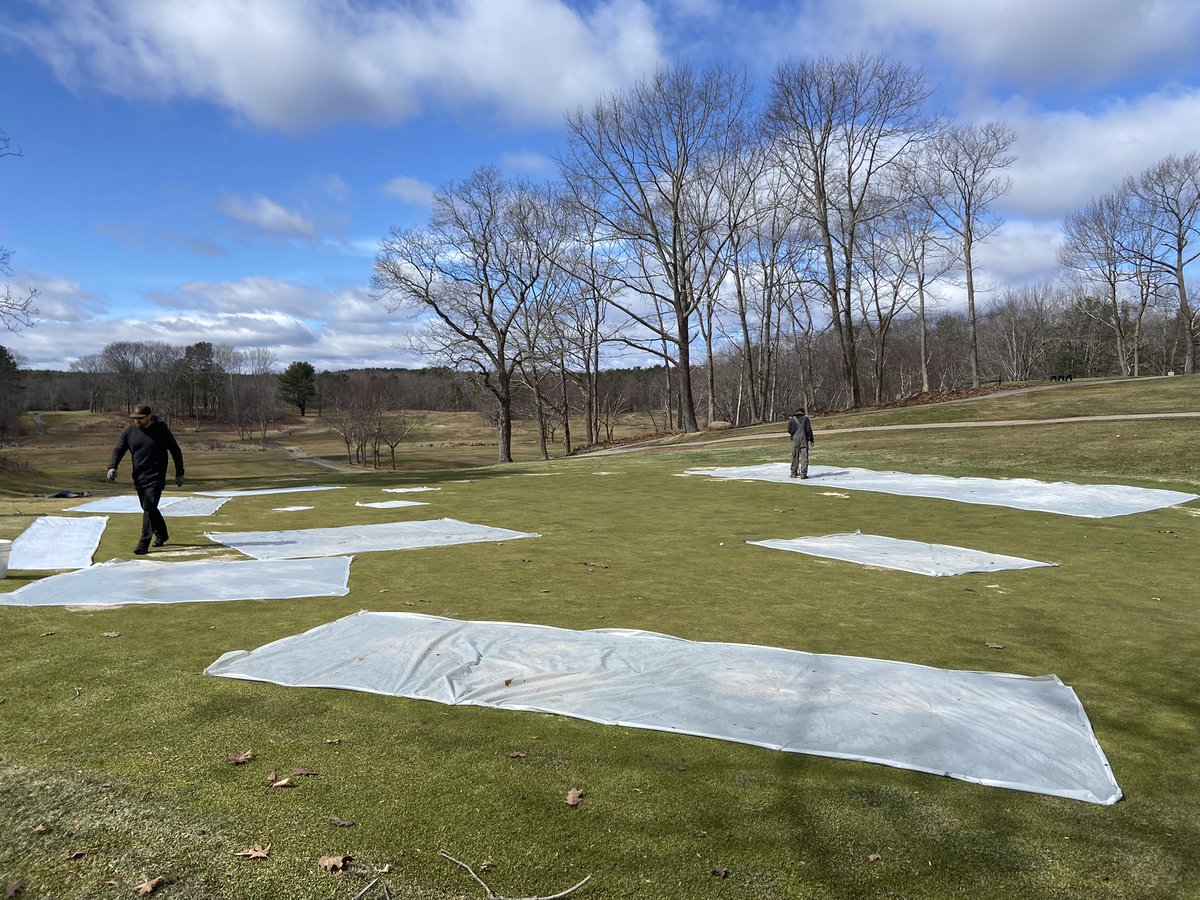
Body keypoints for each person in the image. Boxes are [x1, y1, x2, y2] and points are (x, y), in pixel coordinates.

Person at [107, 405, 185, 555]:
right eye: (135, 418)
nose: (137, 421)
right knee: (148, 507)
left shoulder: (160, 429)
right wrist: (112, 467)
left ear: (149, 417)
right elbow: (119, 450)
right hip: (139, 476)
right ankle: (162, 534)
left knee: (149, 506)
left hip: (156, 475)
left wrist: (179, 472)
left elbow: (175, 450)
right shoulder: (129, 431)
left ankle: (143, 543)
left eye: (140, 418)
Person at [787, 406, 815, 479]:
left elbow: (789, 430)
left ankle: (793, 473)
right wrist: (811, 439)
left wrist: (793, 434)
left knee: (794, 456)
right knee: (804, 457)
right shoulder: (806, 419)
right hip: (803, 439)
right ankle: (803, 473)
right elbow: (809, 430)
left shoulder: (792, 419)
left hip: (795, 440)